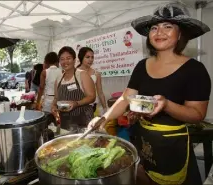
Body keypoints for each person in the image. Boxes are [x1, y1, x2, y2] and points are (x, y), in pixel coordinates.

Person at [88, 3, 211, 185]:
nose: (159, 32)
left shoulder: (195, 70)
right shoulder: (141, 66)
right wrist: (103, 119)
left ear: (180, 35)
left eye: (168, 27)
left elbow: (197, 114)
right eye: (154, 27)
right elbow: (125, 98)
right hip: (143, 139)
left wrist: (167, 105)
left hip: (172, 145)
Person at [51, 46, 96, 131]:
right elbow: (56, 98)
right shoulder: (58, 79)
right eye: (62, 59)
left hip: (83, 119)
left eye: (68, 58)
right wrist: (53, 106)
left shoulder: (82, 74)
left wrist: (77, 103)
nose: (65, 61)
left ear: (74, 60)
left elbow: (92, 97)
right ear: (59, 62)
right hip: (66, 121)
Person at [77, 47, 107, 115]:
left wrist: (105, 108)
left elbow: (100, 92)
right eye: (87, 57)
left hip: (92, 107)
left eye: (92, 57)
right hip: (77, 107)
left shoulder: (96, 74)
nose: (90, 60)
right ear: (81, 58)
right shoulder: (75, 72)